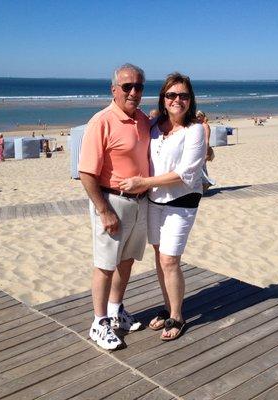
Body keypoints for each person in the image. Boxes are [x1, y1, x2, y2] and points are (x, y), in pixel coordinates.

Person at [119, 72, 206, 341]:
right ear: (163, 99)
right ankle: (168, 306)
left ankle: (177, 316)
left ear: (190, 100)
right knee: (160, 258)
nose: (177, 100)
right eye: (171, 95)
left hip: (182, 204)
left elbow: (185, 173)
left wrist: (142, 181)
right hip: (154, 202)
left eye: (183, 95)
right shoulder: (155, 124)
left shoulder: (195, 131)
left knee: (170, 260)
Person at [78, 63, 150, 350]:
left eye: (139, 86)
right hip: (112, 201)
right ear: (114, 89)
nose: (133, 92)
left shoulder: (143, 119)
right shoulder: (102, 121)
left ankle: (115, 309)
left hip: (139, 202)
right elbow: (86, 172)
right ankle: (99, 322)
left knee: (126, 260)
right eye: (127, 86)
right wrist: (103, 210)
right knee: (105, 265)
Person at [196, 110, 216, 192]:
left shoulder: (205, 126)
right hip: (199, 150)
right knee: (201, 169)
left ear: (202, 117)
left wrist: (206, 151)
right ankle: (205, 185)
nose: (197, 117)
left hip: (203, 150)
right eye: (196, 116)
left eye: (199, 116)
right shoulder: (199, 125)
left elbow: (207, 140)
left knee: (201, 168)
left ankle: (207, 184)